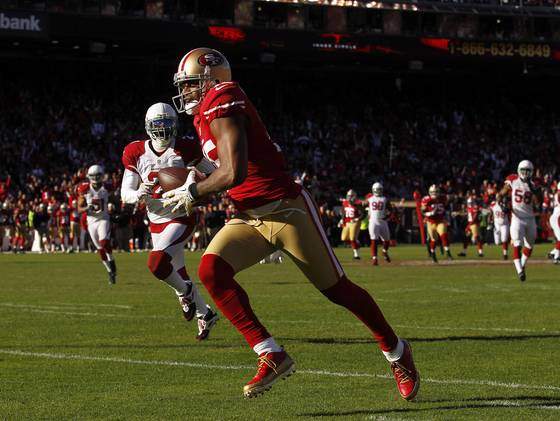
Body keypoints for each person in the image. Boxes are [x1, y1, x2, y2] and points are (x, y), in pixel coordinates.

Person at [163, 48, 419, 400]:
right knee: (211, 271)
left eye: (192, 84)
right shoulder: (204, 113)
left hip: (286, 210)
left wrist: (193, 190)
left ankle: (396, 351)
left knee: (338, 291)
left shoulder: (224, 97)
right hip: (249, 216)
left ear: (212, 79)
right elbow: (228, 167)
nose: (187, 92)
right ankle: (271, 353)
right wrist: (192, 178)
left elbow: (232, 172)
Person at [120, 102, 218, 340]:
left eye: (167, 124)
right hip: (155, 219)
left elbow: (215, 172)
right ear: (148, 127)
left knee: (156, 264)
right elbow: (126, 193)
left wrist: (195, 183)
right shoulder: (135, 151)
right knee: (176, 269)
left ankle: (186, 292)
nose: (162, 129)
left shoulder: (186, 148)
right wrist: (138, 193)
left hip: (181, 215)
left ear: (174, 125)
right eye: (158, 124)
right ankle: (206, 314)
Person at [497, 160, 540, 281]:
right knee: (517, 244)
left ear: (531, 172)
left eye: (528, 171)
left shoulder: (534, 183)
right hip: (517, 217)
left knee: (530, 246)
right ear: (518, 170)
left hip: (530, 218)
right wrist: (501, 203)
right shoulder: (512, 180)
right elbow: (500, 194)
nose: (525, 173)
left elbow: (538, 202)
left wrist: (533, 189)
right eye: (523, 170)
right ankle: (520, 271)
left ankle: (522, 264)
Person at [77, 165, 117, 284]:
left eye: (97, 175)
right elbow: (79, 208)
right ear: (89, 176)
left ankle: (112, 261)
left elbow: (115, 198)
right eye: (93, 176)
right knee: (99, 248)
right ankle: (110, 271)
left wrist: (115, 207)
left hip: (103, 218)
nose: (95, 178)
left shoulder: (107, 187)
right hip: (91, 221)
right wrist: (85, 208)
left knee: (104, 241)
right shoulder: (84, 189)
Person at [421, 184, 452, 263]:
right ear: (430, 192)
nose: (434, 194)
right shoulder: (426, 199)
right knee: (433, 240)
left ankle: (448, 253)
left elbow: (447, 206)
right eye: (433, 192)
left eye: (436, 192)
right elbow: (422, 211)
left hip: (440, 221)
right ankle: (433, 253)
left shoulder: (443, 198)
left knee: (443, 235)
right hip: (430, 222)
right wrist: (430, 213)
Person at [366, 182, 393, 266]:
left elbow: (391, 210)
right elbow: (363, 206)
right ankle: (375, 258)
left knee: (387, 240)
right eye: (378, 189)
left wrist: (387, 217)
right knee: (374, 240)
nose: (379, 191)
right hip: (373, 221)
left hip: (382, 221)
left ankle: (384, 251)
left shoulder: (384, 199)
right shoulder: (370, 199)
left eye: (380, 189)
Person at [340, 189, 363, 260]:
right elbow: (343, 212)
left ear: (354, 196)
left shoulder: (358, 203)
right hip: (347, 222)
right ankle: (357, 243)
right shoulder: (345, 203)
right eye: (348, 196)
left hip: (354, 222)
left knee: (352, 238)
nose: (349, 197)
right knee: (343, 238)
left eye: (351, 196)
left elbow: (363, 214)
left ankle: (356, 255)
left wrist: (358, 218)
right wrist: (341, 219)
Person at [548, 182, 560, 264]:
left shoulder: (557, 194)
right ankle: (556, 258)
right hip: (557, 218)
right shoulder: (558, 194)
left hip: (556, 217)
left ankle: (553, 253)